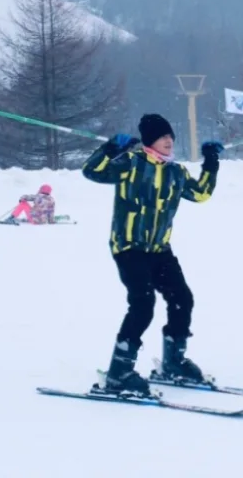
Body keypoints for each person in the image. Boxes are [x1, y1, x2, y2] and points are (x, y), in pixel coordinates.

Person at [82, 113, 222, 396]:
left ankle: (174, 362)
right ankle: (119, 373)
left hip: (160, 249)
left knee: (182, 298)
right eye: (162, 137)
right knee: (143, 304)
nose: (169, 140)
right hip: (129, 247)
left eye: (170, 136)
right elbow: (92, 171)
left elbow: (202, 194)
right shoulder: (130, 164)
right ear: (149, 141)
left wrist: (211, 161)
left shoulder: (176, 172)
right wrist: (110, 149)